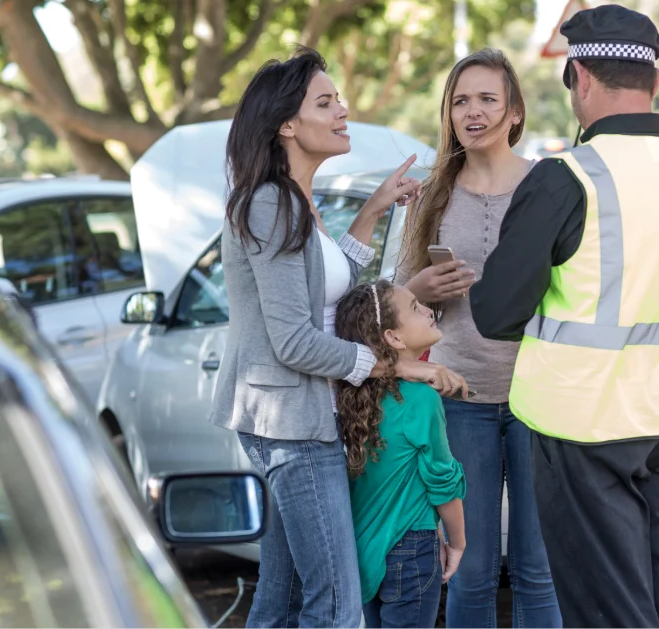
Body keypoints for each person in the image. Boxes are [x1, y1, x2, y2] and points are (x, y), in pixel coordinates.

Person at [470, 6, 659, 627]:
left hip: (584, 427)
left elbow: (496, 312)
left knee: (609, 611)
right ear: (655, 85)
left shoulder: (567, 177)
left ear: (579, 77)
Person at [209, 48, 468, 628]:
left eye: (338, 99)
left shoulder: (297, 200)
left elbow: (329, 287)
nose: (342, 111)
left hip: (295, 417)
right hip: (292, 422)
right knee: (336, 604)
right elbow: (295, 342)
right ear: (286, 124)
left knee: (284, 597)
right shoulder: (271, 204)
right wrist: (395, 367)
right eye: (326, 102)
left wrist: (373, 209)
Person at [394, 48, 561, 628]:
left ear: (515, 112)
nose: (473, 111)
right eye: (460, 100)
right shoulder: (432, 192)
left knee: (540, 572)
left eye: (488, 99)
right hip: (459, 401)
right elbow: (395, 303)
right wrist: (421, 286)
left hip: (539, 400)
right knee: (470, 572)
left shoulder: (549, 186)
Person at [334, 280, 468, 628]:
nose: (427, 309)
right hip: (412, 553)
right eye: (415, 307)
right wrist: (457, 542)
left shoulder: (351, 396)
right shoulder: (421, 399)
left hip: (365, 554)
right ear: (394, 337)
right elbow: (442, 481)